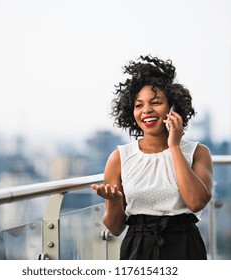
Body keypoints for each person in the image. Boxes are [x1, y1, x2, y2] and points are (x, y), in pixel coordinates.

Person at [91, 55, 213, 260]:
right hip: (138, 249)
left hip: (185, 246)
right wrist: (113, 202)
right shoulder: (120, 158)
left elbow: (196, 202)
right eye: (139, 105)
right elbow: (115, 228)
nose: (146, 110)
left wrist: (174, 146)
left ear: (173, 107)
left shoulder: (198, 152)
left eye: (156, 102)